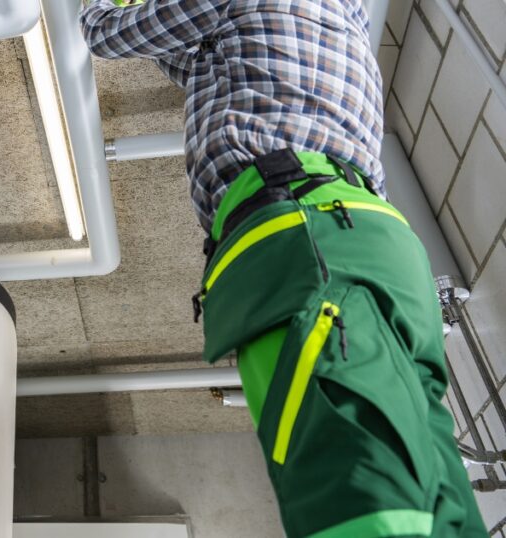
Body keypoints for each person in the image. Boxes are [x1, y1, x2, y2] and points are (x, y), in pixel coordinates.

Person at [80, 1, 485, 536]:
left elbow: (105, 30)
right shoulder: (344, 14)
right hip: (347, 242)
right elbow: (205, 59)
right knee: (429, 503)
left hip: (314, 242)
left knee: (367, 496)